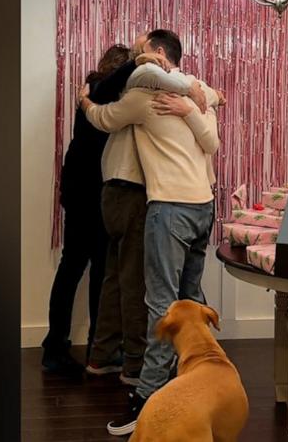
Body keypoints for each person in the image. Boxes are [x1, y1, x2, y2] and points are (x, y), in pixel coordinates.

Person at [80, 29, 221, 436]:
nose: (135, 58)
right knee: (191, 300)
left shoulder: (144, 95)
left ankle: (146, 397)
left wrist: (84, 100)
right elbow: (211, 142)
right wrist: (195, 104)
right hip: (204, 206)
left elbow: (104, 119)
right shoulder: (199, 92)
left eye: (141, 51)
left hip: (170, 207)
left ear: (158, 55)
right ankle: (199, 379)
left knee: (161, 307)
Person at [41, 44, 130, 377]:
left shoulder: (93, 93)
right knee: (90, 272)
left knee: (86, 271)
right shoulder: (100, 90)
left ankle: (83, 346)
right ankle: (82, 347)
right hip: (90, 194)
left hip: (81, 191)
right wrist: (143, 58)